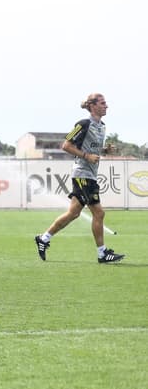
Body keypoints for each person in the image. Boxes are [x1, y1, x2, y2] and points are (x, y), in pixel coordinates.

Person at [34, 93, 125, 263]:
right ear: (93, 106)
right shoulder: (83, 124)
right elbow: (66, 145)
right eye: (103, 103)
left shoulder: (102, 126)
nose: (107, 106)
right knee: (99, 213)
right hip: (83, 174)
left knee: (73, 213)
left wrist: (104, 151)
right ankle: (102, 253)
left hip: (90, 174)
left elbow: (92, 149)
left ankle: (43, 238)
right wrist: (86, 156)